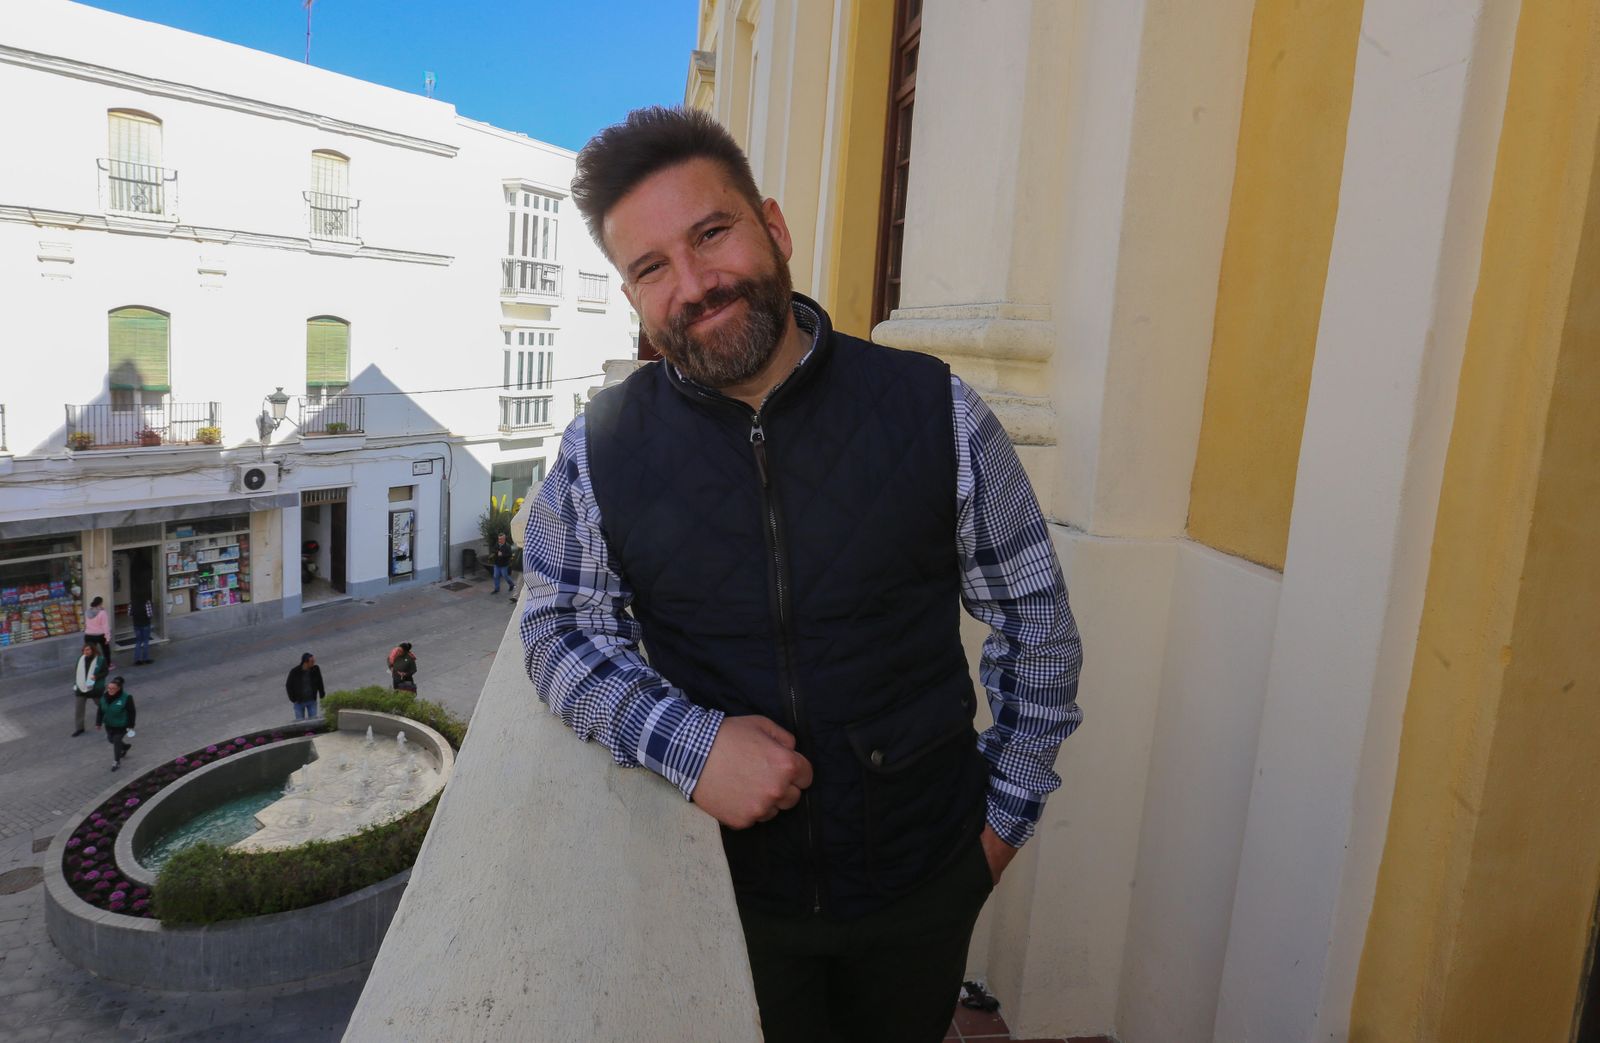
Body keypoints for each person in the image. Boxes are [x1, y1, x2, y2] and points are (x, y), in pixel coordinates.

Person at [523, 107, 1083, 1042]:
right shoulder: (602, 446)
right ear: (632, 298)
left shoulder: (933, 408)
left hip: (922, 888)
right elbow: (557, 627)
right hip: (722, 895)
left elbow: (1039, 628)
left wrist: (991, 842)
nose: (694, 285)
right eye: (652, 268)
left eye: (712, 234)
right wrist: (688, 745)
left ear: (773, 229)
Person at [95, 676, 136, 771]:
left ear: (119, 688)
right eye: (109, 688)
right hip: (109, 724)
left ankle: (116, 762)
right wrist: (98, 722)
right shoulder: (104, 697)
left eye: (113, 688)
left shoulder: (126, 698)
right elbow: (100, 710)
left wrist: (131, 726)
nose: (110, 690)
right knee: (111, 739)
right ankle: (125, 747)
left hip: (122, 725)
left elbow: (132, 712)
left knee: (116, 741)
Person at [71, 641, 107, 737]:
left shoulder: (100, 660)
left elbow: (105, 672)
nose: (86, 652)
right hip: (81, 687)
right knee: (79, 709)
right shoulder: (80, 659)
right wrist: (76, 683)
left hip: (94, 688)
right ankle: (79, 728)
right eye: (84, 650)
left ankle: (112, 715)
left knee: (101, 704)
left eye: (88, 650)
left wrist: (96, 676)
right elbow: (77, 672)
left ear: (92, 650)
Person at [284, 652, 325, 720]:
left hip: (312, 700)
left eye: (314, 661)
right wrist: (293, 699)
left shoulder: (315, 669)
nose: (313, 662)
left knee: (313, 721)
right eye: (312, 661)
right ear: (305, 662)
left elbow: (320, 681)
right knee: (300, 722)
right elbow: (288, 685)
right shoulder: (295, 671)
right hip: (299, 702)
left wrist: (322, 693)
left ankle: (311, 731)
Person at [83, 596, 111, 663]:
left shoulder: (87, 612)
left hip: (88, 635)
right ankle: (108, 665)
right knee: (106, 650)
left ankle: (89, 665)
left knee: (90, 652)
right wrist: (107, 637)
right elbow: (105, 626)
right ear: (100, 603)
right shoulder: (102, 613)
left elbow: (86, 623)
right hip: (100, 635)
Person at [130, 596, 155, 665]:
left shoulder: (132, 603)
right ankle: (145, 659)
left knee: (138, 642)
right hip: (145, 624)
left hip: (136, 625)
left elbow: (129, 614)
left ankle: (137, 660)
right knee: (145, 641)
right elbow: (150, 614)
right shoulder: (147, 602)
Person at [490, 532, 515, 596]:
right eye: (499, 539)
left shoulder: (507, 546)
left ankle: (511, 584)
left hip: (504, 564)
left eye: (501, 539)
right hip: (497, 564)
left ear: (504, 539)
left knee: (505, 576)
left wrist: (502, 554)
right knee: (496, 576)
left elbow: (509, 555)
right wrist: (497, 552)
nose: (499, 540)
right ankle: (497, 589)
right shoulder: (497, 544)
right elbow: (493, 550)